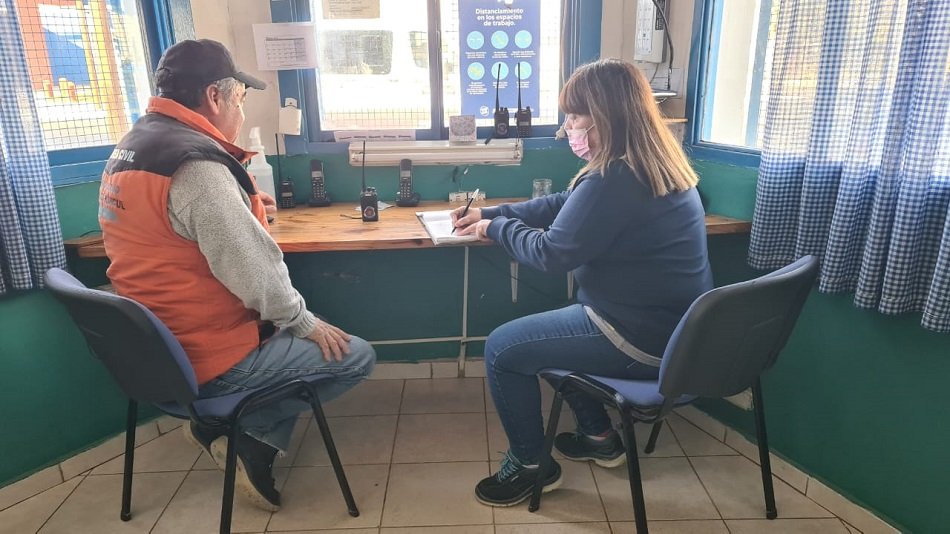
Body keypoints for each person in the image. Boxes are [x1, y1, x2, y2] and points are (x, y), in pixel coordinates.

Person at [98, 39, 376, 511]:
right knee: (355, 356)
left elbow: (172, 226)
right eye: (240, 100)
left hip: (153, 355)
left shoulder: (135, 146)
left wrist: (241, 205)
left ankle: (229, 433)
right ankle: (244, 435)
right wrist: (303, 321)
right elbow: (255, 272)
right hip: (208, 357)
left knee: (300, 335)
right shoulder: (196, 167)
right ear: (214, 97)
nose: (242, 114)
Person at [452, 58, 713, 507]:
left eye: (574, 116)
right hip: (678, 334)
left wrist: (496, 229)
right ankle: (598, 437)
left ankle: (531, 466)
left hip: (638, 337)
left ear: (605, 116)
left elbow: (551, 254)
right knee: (550, 333)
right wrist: (492, 212)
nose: (567, 127)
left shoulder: (614, 177)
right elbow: (565, 202)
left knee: (504, 349)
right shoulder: (655, 164)